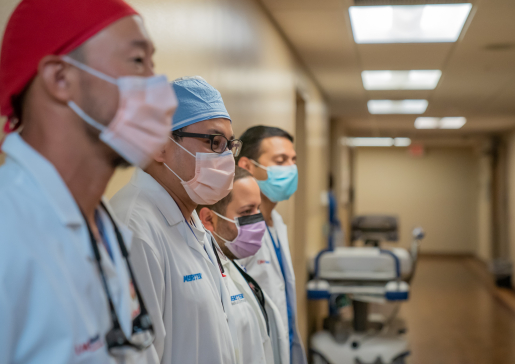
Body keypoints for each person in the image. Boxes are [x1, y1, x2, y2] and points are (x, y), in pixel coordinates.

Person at [0, 0, 177, 363]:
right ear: (60, 79)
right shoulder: (8, 231)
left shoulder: (102, 225)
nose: (165, 99)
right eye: (137, 62)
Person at [110, 76, 243, 364]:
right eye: (214, 142)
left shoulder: (191, 219)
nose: (227, 158)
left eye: (230, 145)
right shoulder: (133, 229)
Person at [197, 166, 290, 364]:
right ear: (208, 219)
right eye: (247, 211)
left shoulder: (231, 265)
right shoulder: (204, 279)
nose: (259, 220)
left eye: (258, 209)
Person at [236, 126, 308, 364]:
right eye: (280, 160)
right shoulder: (238, 230)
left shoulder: (276, 222)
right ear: (246, 166)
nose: (291, 168)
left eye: (293, 160)